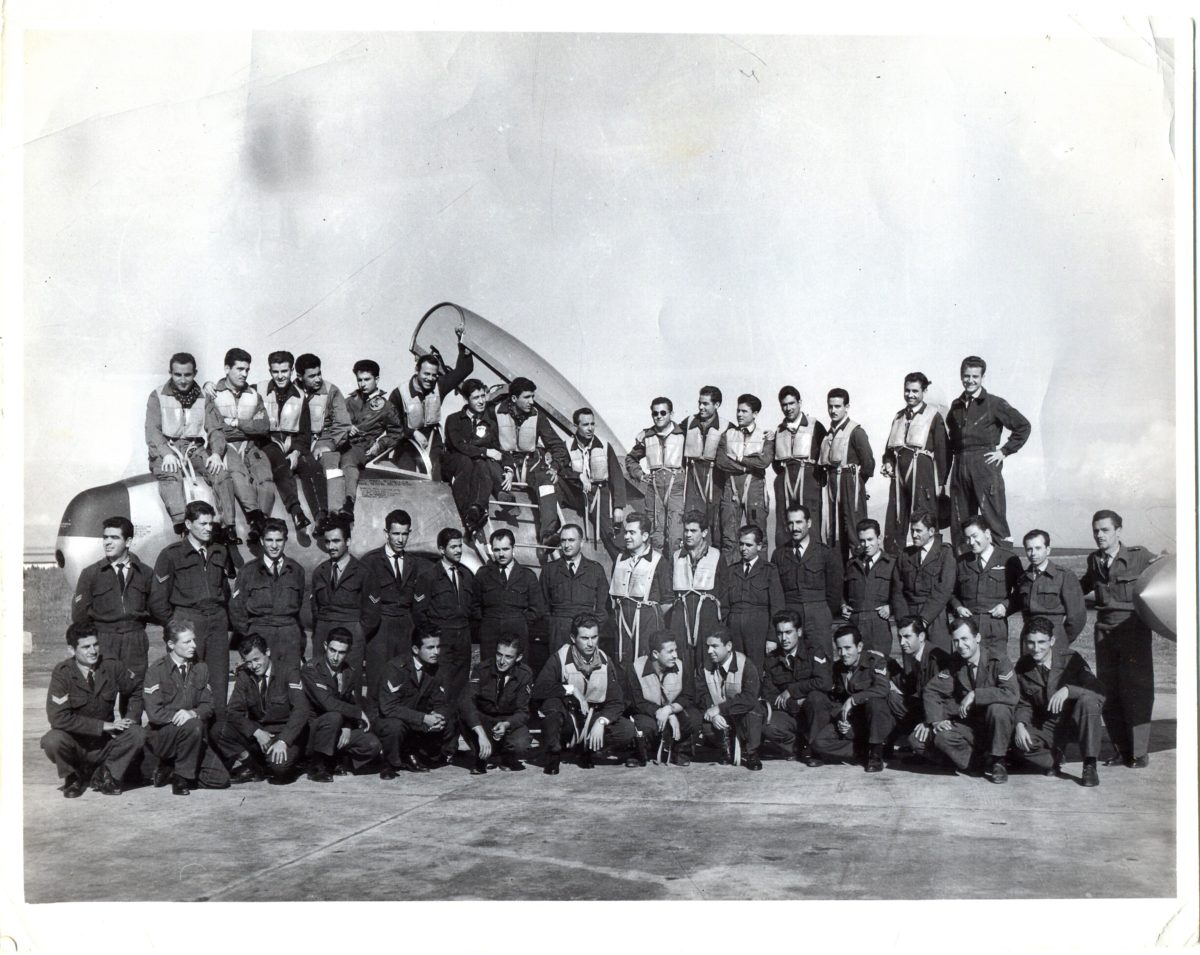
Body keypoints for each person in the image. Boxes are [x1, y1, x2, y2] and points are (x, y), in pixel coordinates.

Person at [1080, 509, 1157, 768]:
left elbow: (1165, 574)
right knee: (1109, 690)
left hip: (1133, 631)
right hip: (1104, 633)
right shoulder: (1094, 560)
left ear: (1118, 531)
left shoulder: (1139, 556)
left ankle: (1139, 752)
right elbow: (1081, 587)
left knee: (1137, 689)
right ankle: (1121, 750)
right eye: (1096, 531)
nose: (1099, 535)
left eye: (1105, 530)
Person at [149, 500, 236, 722]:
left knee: (218, 683)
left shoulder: (219, 551)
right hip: (188, 621)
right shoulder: (171, 555)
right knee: (187, 683)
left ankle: (218, 736)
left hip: (216, 622)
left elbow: (224, 591)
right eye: (203, 524)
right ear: (188, 524)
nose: (208, 528)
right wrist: (177, 627)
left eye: (211, 524)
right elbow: (158, 601)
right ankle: (188, 735)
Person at [40, 623, 145, 798]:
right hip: (76, 744)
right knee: (52, 740)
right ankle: (73, 777)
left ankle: (108, 774)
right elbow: (58, 718)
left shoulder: (111, 666)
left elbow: (136, 689)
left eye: (95, 645)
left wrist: (131, 717)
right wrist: (103, 725)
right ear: (72, 650)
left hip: (105, 744)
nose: (93, 651)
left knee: (137, 733)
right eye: (86, 647)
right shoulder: (63, 673)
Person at [145, 351, 238, 541]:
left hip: (193, 448)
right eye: (177, 374)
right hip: (167, 448)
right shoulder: (157, 396)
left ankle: (228, 526)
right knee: (170, 474)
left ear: (195, 373)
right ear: (170, 373)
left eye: (187, 375)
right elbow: (152, 430)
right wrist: (166, 453)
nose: (182, 380)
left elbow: (215, 429)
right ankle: (182, 526)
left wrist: (216, 454)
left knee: (220, 473)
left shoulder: (204, 397)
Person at [531, 612, 635, 774]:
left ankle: (587, 749)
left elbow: (616, 701)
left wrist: (602, 721)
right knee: (551, 705)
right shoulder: (560, 658)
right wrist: (570, 689)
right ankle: (554, 753)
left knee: (626, 730)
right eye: (585, 638)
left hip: (591, 717)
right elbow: (539, 689)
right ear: (573, 638)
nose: (590, 644)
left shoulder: (605, 661)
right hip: (568, 718)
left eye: (594, 637)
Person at [917, 616, 1018, 782]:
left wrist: (975, 694)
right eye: (956, 641)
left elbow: (1011, 693)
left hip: (996, 727)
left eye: (965, 639)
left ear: (977, 638)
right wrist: (935, 721)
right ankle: (977, 763)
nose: (960, 645)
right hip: (970, 725)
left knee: (998, 709)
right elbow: (932, 689)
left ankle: (998, 761)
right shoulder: (956, 662)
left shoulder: (998, 660)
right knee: (939, 737)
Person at [946, 356, 1031, 551]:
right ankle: (964, 568)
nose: (970, 380)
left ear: (982, 377)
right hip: (959, 465)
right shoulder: (956, 406)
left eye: (975, 376)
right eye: (966, 376)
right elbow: (951, 437)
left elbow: (1023, 426)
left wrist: (1004, 451)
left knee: (994, 521)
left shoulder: (994, 403)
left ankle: (1004, 566)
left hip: (984, 465)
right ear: (961, 376)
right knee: (960, 523)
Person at [71, 516, 153, 713]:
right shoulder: (91, 573)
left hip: (135, 640)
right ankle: (102, 732)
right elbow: (80, 616)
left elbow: (156, 608)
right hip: (104, 639)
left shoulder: (145, 573)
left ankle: (131, 730)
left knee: (135, 690)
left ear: (128, 541)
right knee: (102, 691)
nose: (107, 542)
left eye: (114, 537)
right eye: (105, 537)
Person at [1012, 616, 1104, 786]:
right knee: (1017, 742)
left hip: (1076, 722)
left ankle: (1090, 764)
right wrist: (1020, 725)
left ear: (1052, 641)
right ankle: (1053, 759)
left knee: (1089, 701)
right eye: (1031, 643)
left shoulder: (1071, 659)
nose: (1036, 648)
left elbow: (1097, 689)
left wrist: (1068, 690)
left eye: (1041, 642)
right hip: (1048, 725)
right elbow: (1024, 702)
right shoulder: (1023, 665)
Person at [142, 617, 230, 795]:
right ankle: (181, 778)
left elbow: (208, 705)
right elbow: (154, 713)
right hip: (163, 735)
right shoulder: (156, 670)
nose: (194, 646)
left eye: (194, 640)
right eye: (187, 642)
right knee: (193, 725)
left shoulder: (201, 668)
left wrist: (192, 713)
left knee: (220, 779)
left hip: (192, 736)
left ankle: (173, 766)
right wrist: (183, 717)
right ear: (171, 644)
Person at [212, 634, 310, 784]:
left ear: (268, 652)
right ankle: (253, 766)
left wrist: (283, 741)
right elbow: (233, 711)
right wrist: (256, 732)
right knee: (219, 730)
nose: (253, 666)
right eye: (248, 662)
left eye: (256, 659)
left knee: (279, 768)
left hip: (284, 733)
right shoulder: (245, 675)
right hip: (259, 734)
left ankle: (292, 761)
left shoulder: (288, 671)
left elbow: (301, 709)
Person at [359, 510, 429, 708]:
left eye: (404, 534)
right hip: (380, 626)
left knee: (404, 680)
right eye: (396, 533)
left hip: (406, 626)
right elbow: (362, 600)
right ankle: (373, 722)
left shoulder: (414, 563)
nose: (400, 539)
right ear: (386, 533)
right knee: (377, 679)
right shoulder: (371, 561)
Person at [494, 376, 571, 544]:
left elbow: (557, 445)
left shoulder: (537, 416)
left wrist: (555, 467)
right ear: (514, 398)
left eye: (533, 397)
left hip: (530, 464)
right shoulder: (495, 413)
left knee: (547, 482)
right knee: (491, 472)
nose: (532, 401)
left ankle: (548, 533)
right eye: (527, 397)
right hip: (503, 463)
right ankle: (507, 501)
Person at [300, 627, 382, 781]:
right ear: (325, 646)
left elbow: (348, 701)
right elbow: (328, 703)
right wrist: (358, 713)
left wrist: (347, 726)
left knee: (372, 744)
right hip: (313, 730)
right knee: (334, 717)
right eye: (332, 650)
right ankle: (317, 766)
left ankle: (337, 760)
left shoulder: (349, 672)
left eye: (342, 652)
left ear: (348, 652)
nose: (336, 657)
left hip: (338, 726)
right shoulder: (311, 669)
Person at [210, 347, 274, 545]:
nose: (244, 374)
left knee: (265, 477)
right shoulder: (213, 394)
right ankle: (254, 516)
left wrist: (236, 423)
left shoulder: (254, 395)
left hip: (250, 445)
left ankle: (259, 524)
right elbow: (215, 427)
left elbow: (263, 426)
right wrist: (246, 427)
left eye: (247, 369)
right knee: (237, 474)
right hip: (226, 445)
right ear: (227, 369)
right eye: (239, 369)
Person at [809, 624, 892, 772]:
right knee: (818, 743)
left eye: (848, 648)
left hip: (874, 721)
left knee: (875, 703)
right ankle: (863, 751)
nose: (843, 653)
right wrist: (841, 719)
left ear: (859, 647)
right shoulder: (837, 667)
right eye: (839, 649)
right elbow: (835, 698)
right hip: (852, 722)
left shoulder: (875, 662)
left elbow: (882, 688)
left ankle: (875, 755)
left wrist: (853, 699)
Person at [881, 372, 949, 553]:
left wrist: (941, 484)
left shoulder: (933, 416)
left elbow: (943, 452)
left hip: (923, 477)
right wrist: (887, 462)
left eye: (915, 391)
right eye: (907, 390)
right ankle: (895, 561)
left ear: (924, 391)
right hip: (899, 477)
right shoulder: (898, 417)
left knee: (924, 519)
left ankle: (930, 560)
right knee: (895, 518)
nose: (910, 395)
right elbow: (889, 449)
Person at [388, 338, 475, 480]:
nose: (430, 378)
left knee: (436, 477)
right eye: (426, 374)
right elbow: (391, 426)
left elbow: (464, 370)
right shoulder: (399, 394)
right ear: (417, 370)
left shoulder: (439, 386)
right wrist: (413, 433)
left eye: (434, 375)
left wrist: (464, 345)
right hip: (407, 442)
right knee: (407, 478)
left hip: (432, 441)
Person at [376, 629, 458, 776]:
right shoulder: (395, 668)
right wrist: (424, 718)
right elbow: (389, 707)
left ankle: (420, 754)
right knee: (394, 726)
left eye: (438, 647)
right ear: (415, 649)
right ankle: (388, 763)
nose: (436, 652)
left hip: (414, 718)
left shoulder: (435, 668)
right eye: (430, 648)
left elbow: (440, 701)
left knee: (450, 718)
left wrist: (438, 717)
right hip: (388, 718)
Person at [414, 528, 481, 708]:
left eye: (460, 546)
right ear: (442, 549)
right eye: (453, 547)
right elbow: (419, 613)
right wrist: (433, 638)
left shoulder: (466, 575)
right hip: (441, 637)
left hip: (463, 636)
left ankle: (457, 720)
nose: (458, 550)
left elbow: (473, 608)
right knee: (441, 683)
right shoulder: (429, 577)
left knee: (461, 683)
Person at [229, 518, 306, 672]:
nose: (274, 545)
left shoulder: (296, 570)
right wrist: (250, 636)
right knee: (261, 681)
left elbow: (301, 606)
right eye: (269, 540)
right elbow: (236, 609)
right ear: (262, 541)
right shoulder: (248, 571)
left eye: (279, 540)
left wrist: (296, 636)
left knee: (289, 679)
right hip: (259, 634)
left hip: (289, 634)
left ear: (285, 540)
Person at [310, 513, 376, 691]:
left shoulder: (363, 572)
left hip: (351, 637)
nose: (331, 547)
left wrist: (358, 633)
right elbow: (315, 608)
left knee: (349, 688)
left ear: (348, 541)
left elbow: (372, 613)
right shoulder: (319, 572)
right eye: (327, 542)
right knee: (320, 686)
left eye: (336, 541)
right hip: (323, 636)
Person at [760, 610, 832, 765]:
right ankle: (799, 746)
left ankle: (816, 750)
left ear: (799, 632)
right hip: (792, 714)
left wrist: (791, 690)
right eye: (779, 633)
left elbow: (825, 682)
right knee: (766, 724)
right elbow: (769, 697)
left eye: (788, 632)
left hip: (815, 714)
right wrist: (795, 703)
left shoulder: (814, 651)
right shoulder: (772, 660)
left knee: (816, 698)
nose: (784, 638)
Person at [624, 631, 702, 767]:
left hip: (673, 710)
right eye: (670, 651)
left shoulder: (682, 665)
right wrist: (659, 711)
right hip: (648, 713)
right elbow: (637, 702)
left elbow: (688, 696)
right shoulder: (635, 668)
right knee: (643, 725)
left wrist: (669, 710)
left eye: (676, 650)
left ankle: (680, 752)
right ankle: (639, 753)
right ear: (655, 654)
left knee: (694, 717)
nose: (675, 655)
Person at [459, 635, 535, 774]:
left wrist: (507, 724)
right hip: (484, 719)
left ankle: (506, 757)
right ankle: (481, 755)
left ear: (518, 658)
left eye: (508, 657)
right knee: (464, 715)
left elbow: (523, 712)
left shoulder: (524, 674)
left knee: (521, 744)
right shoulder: (482, 669)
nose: (502, 661)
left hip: (507, 720)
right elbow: (466, 701)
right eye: (499, 655)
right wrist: (480, 733)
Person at [772, 504, 843, 651]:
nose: (794, 528)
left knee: (821, 657)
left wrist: (824, 614)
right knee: (793, 658)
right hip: (790, 618)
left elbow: (834, 591)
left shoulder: (825, 553)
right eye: (790, 523)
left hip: (819, 616)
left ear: (809, 523)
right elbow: (776, 592)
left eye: (799, 522)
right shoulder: (779, 555)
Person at [558, 407, 626, 558]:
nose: (590, 428)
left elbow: (617, 477)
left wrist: (618, 507)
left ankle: (623, 562)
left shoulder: (604, 445)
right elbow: (560, 469)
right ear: (575, 426)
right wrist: (578, 476)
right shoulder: (566, 445)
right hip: (577, 493)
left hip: (599, 493)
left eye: (592, 424)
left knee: (612, 533)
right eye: (585, 424)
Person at [443, 377, 507, 535]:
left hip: (477, 464)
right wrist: (484, 451)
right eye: (476, 398)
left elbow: (498, 448)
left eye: (483, 396)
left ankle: (477, 508)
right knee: (466, 461)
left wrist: (508, 468)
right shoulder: (454, 419)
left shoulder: (490, 423)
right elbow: (459, 445)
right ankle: (467, 515)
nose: (481, 401)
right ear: (466, 399)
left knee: (481, 464)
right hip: (454, 462)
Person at [950, 517, 1022, 658]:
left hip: (995, 626)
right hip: (967, 627)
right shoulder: (961, 562)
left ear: (987, 533)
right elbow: (951, 592)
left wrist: (1006, 606)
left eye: (974, 536)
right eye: (967, 538)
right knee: (967, 665)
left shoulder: (1008, 559)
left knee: (995, 664)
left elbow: (1022, 592)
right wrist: (957, 607)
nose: (971, 542)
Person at [817, 388, 875, 562]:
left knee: (855, 530)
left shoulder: (856, 432)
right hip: (833, 485)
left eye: (838, 406)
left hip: (850, 483)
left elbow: (868, 464)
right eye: (830, 406)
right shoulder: (829, 434)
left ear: (846, 407)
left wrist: (856, 484)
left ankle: (862, 569)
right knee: (835, 531)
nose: (833, 410)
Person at [340, 359, 404, 518]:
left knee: (348, 459)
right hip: (341, 443)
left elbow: (396, 433)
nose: (362, 384)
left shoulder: (387, 407)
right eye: (359, 380)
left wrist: (380, 445)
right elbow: (333, 421)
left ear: (377, 379)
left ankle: (349, 503)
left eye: (367, 379)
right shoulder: (349, 401)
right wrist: (345, 427)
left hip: (363, 448)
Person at [714, 394, 774, 563]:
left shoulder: (765, 436)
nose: (739, 414)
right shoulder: (728, 434)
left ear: (755, 414)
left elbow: (764, 462)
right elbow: (721, 461)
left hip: (755, 487)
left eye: (744, 411)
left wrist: (739, 458)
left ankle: (759, 575)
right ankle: (730, 575)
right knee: (729, 537)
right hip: (731, 486)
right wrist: (746, 467)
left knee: (758, 535)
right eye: (738, 410)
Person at [293, 352, 352, 523]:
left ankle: (335, 515)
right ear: (300, 376)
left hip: (322, 438)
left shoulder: (332, 391)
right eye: (312, 376)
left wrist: (329, 445)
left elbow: (343, 424)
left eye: (319, 373)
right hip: (297, 440)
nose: (318, 379)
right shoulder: (289, 391)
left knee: (330, 462)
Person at [608, 511, 674, 663]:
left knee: (645, 663)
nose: (626, 536)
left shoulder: (659, 561)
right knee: (622, 661)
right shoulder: (619, 559)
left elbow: (668, 600)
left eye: (632, 533)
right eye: (626, 532)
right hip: (622, 620)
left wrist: (649, 615)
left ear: (644, 536)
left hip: (647, 621)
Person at [625, 397, 687, 553]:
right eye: (655, 413)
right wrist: (640, 475)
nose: (659, 416)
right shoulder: (647, 437)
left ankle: (674, 568)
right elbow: (631, 459)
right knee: (655, 536)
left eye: (663, 413)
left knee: (675, 536)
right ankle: (657, 568)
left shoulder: (683, 435)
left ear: (671, 414)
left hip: (676, 488)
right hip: (654, 488)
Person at [885, 616, 952, 760]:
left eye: (907, 637)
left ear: (921, 636)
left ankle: (932, 752)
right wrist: (889, 664)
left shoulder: (936, 659)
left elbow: (946, 698)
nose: (902, 643)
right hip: (924, 708)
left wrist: (929, 721)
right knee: (893, 697)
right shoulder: (918, 655)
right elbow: (913, 686)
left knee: (915, 740)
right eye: (900, 637)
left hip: (942, 715)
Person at [669, 509, 728, 672]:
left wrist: (719, 620)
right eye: (686, 530)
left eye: (693, 531)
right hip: (682, 616)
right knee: (682, 663)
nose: (688, 534)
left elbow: (724, 591)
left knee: (707, 664)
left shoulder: (716, 556)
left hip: (707, 616)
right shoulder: (676, 556)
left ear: (704, 533)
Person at [259, 350, 312, 532]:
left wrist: (296, 452)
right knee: (278, 461)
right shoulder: (257, 390)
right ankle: (296, 510)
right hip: (266, 443)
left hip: (290, 446)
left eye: (284, 371)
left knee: (311, 467)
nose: (280, 376)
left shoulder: (301, 396)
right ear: (270, 371)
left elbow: (305, 433)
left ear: (291, 371)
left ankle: (322, 516)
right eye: (275, 372)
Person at [476, 528, 546, 664]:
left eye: (505, 549)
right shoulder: (483, 574)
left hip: (517, 632)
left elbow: (538, 608)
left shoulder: (527, 575)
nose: (501, 554)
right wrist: (487, 623)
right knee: (489, 668)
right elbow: (475, 605)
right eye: (497, 550)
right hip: (490, 633)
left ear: (513, 548)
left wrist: (520, 622)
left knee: (518, 670)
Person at [890, 510, 956, 652]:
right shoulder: (905, 555)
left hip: (935, 616)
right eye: (912, 530)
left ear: (931, 531)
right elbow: (897, 590)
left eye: (918, 531)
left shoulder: (945, 553)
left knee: (939, 657)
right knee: (911, 660)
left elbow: (944, 589)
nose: (914, 535)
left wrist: (924, 619)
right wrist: (904, 621)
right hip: (909, 614)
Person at [697, 629, 764, 770]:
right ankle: (726, 748)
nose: (709, 651)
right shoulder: (705, 667)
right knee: (706, 726)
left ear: (728, 646)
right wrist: (713, 714)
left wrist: (720, 709)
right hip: (721, 717)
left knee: (754, 710)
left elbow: (749, 698)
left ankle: (751, 752)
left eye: (714, 646)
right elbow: (701, 694)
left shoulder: (745, 664)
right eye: (708, 646)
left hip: (741, 714)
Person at [540, 523, 609, 658]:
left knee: (586, 667)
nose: (566, 545)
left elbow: (604, 607)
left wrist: (591, 629)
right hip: (558, 631)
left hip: (586, 632)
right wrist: (553, 626)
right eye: (563, 540)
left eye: (571, 540)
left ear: (581, 542)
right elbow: (543, 605)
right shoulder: (549, 570)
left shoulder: (595, 569)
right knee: (559, 667)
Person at [771, 386, 826, 547]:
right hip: (786, 479)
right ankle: (785, 558)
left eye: (791, 403)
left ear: (799, 402)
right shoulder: (779, 429)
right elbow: (775, 462)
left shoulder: (815, 425)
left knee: (810, 522)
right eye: (784, 405)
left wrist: (816, 477)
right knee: (784, 522)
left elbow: (825, 453)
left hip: (809, 479)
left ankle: (813, 558)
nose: (788, 408)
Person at [724, 525, 785, 671]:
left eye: (748, 545)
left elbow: (777, 607)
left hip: (759, 631)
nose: (743, 549)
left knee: (756, 671)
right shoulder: (731, 571)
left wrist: (772, 637)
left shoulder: (769, 571)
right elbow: (725, 607)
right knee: (735, 671)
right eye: (741, 544)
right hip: (734, 631)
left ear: (759, 546)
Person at [1014, 529, 1086, 645]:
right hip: (1029, 640)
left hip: (1054, 640)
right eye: (1029, 549)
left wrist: (1062, 640)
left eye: (1038, 548)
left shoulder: (1064, 576)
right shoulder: (1024, 578)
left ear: (1048, 550)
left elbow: (1077, 618)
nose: (1033, 553)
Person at [841, 519, 897, 657]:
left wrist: (891, 607)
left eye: (870, 539)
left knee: (879, 664)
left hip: (879, 625)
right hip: (855, 624)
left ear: (879, 538)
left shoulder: (892, 564)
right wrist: (843, 605)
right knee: (855, 665)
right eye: (862, 541)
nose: (866, 545)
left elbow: (900, 593)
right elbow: (842, 592)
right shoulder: (852, 564)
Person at [680, 386, 725, 537]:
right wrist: (646, 432)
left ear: (717, 404)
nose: (700, 407)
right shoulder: (689, 422)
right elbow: (669, 431)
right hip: (693, 480)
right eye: (699, 403)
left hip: (716, 482)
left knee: (716, 528)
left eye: (705, 404)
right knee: (692, 525)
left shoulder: (726, 426)